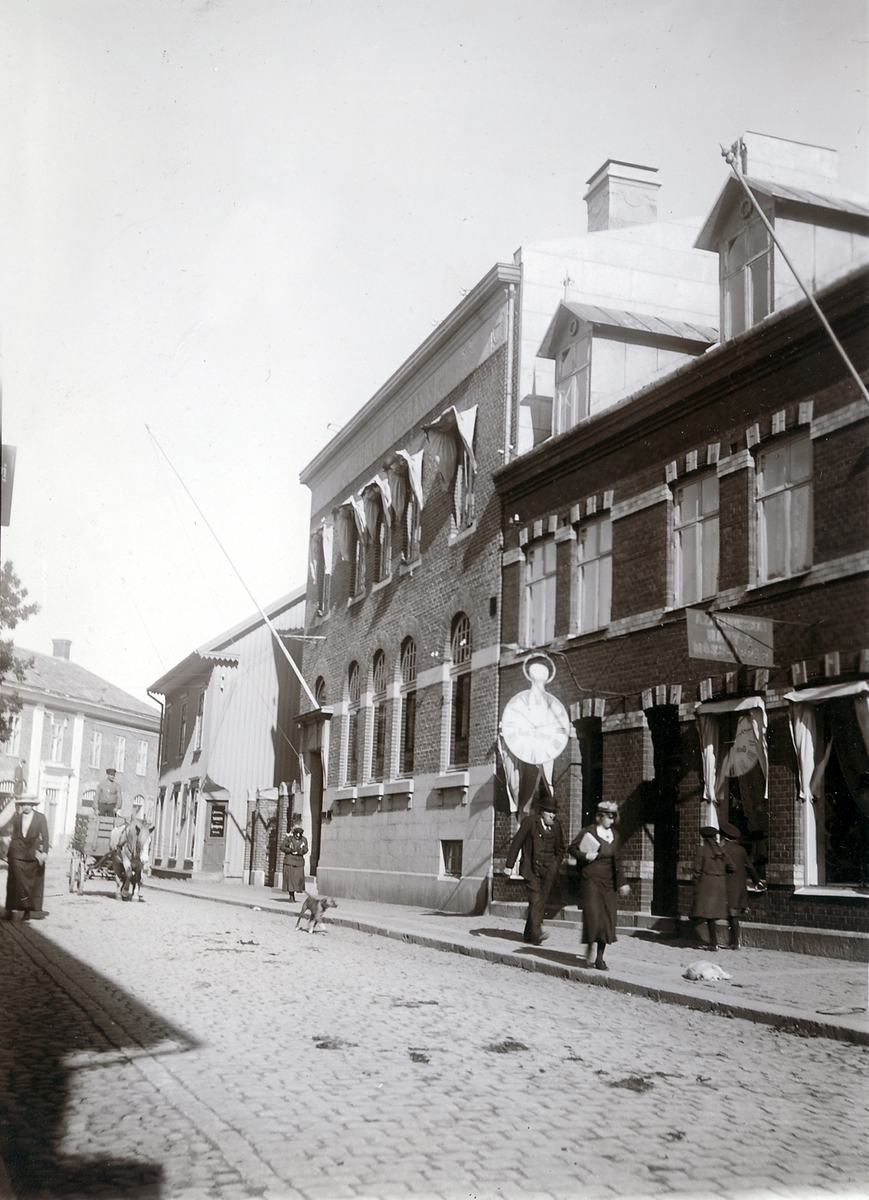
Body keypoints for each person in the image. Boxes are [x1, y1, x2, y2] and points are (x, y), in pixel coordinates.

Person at [569, 799, 630, 970]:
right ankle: (589, 947)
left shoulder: (615, 836)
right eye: (609, 817)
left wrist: (622, 883)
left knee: (607, 919)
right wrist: (585, 855)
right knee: (593, 916)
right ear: (600, 816)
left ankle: (600, 958)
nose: (611, 821)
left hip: (608, 883)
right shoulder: (588, 832)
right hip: (591, 880)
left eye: (613, 817)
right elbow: (572, 848)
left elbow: (617, 861)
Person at [502, 793, 566, 945]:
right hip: (531, 870)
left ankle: (528, 933)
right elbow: (516, 843)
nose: (552, 815)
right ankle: (537, 933)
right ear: (542, 812)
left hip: (548, 870)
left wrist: (555, 864)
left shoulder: (556, 826)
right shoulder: (530, 822)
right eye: (549, 812)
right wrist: (509, 866)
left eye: (554, 812)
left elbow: (561, 849)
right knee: (535, 899)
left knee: (540, 902)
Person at [4, 794, 49, 920]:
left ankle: (27, 910)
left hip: (32, 854)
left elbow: (45, 836)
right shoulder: (17, 818)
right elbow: (14, 835)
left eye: (29, 804)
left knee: (31, 882)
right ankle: (9, 909)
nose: (26, 807)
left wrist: (44, 852)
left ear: (33, 805)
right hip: (17, 853)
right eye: (23, 804)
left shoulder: (40, 818)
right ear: (21, 806)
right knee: (13, 880)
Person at [720, 820, 761, 950]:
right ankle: (734, 941)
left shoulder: (722, 850)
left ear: (724, 836)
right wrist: (757, 881)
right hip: (739, 887)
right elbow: (749, 866)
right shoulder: (741, 850)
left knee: (731, 915)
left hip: (726, 885)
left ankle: (734, 942)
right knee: (733, 914)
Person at [692, 825, 729, 951]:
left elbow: (696, 869)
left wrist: (696, 883)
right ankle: (717, 942)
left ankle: (714, 943)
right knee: (713, 915)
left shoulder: (702, 850)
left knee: (709, 915)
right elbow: (732, 867)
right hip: (720, 886)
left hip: (706, 885)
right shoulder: (722, 851)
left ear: (704, 837)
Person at [279, 824, 308, 900]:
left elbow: (306, 849)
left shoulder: (304, 840)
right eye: (297, 834)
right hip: (290, 861)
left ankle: (296, 891)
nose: (298, 835)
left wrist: (300, 852)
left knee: (298, 879)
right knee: (290, 880)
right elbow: (281, 846)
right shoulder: (289, 839)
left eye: (300, 834)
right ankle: (291, 895)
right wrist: (290, 850)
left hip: (299, 863)